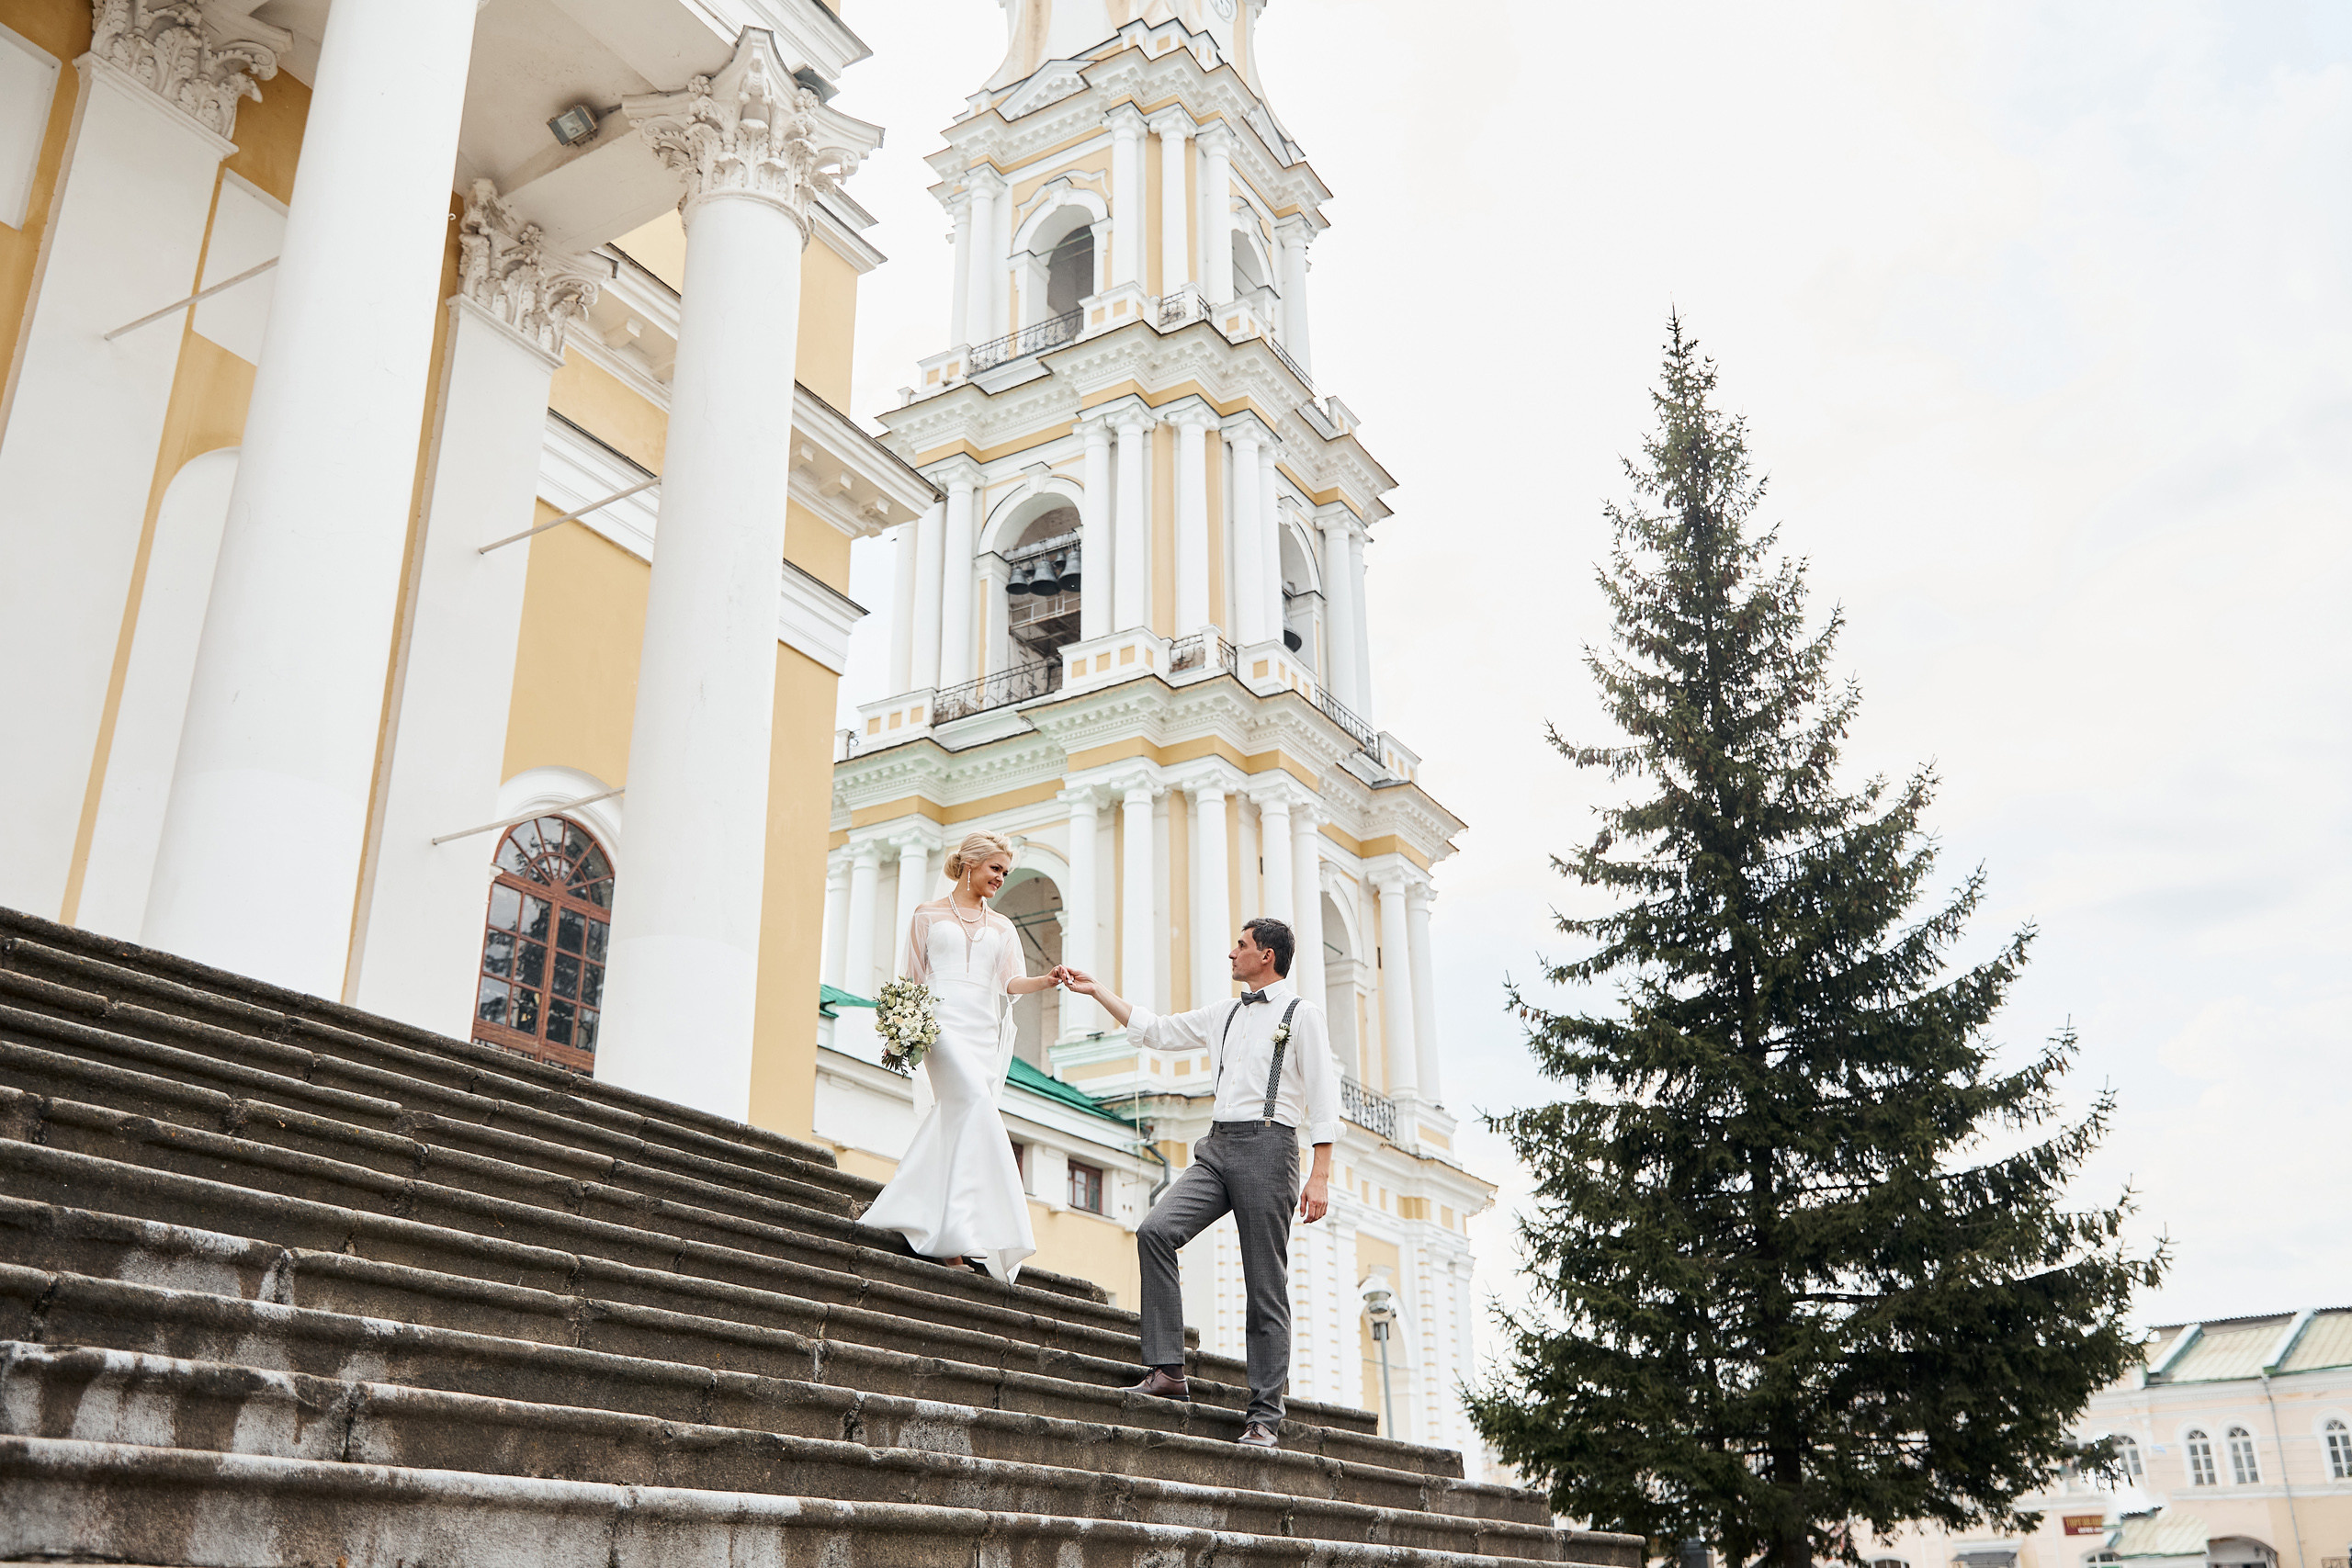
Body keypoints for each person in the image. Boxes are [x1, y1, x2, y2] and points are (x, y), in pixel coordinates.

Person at [1057, 916, 1336, 1450]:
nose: (1231, 953)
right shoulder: (1223, 1013)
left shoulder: (1302, 1015)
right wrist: (1098, 992)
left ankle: (1264, 1416)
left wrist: (1319, 1175)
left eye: (1241, 945)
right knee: (1156, 1231)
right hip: (1217, 1147)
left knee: (1264, 1285)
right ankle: (1167, 1370)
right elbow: (1157, 1031)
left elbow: (1324, 1098)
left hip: (1270, 1148)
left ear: (1267, 956)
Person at [861, 830, 1061, 1283]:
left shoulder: (1003, 927)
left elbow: (1010, 983)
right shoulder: (926, 915)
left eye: (1006, 872)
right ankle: (959, 1235)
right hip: (939, 1027)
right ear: (970, 864)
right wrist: (899, 1031)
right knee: (971, 1102)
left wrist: (1046, 981)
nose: (1001, 878)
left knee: (958, 1119)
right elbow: (911, 979)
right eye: (996, 868)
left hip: (982, 1033)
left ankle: (924, 1211)